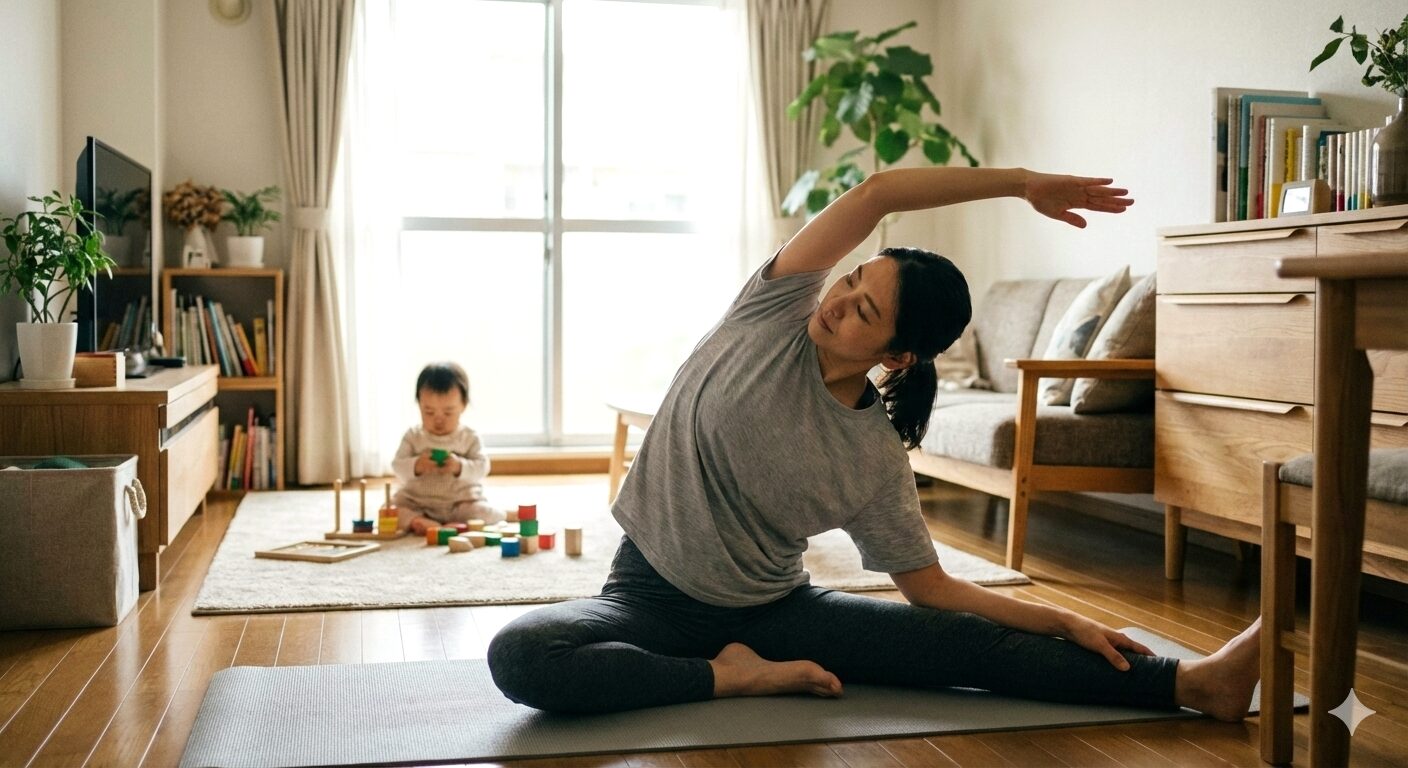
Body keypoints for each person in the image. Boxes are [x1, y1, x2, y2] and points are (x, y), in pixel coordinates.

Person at [487, 166, 1261, 720]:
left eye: (864, 312)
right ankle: (732, 681)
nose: (839, 303)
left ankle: (1194, 684)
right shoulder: (771, 311)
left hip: (776, 613)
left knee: (969, 651)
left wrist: (1061, 619)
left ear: (896, 357)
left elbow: (935, 590)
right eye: (851, 281)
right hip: (645, 597)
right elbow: (879, 192)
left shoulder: (872, 454)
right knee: (523, 657)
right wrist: (1021, 183)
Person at [390, 362, 501, 534]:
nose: (438, 419)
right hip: (418, 502)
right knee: (389, 510)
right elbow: (398, 465)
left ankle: (505, 514)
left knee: (481, 512)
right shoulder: (413, 436)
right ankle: (419, 520)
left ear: (463, 405)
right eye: (429, 412)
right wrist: (417, 465)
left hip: (459, 503)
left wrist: (459, 466)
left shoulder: (469, 437)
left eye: (448, 412)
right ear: (419, 404)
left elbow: (482, 467)